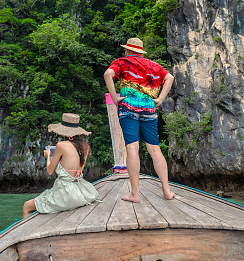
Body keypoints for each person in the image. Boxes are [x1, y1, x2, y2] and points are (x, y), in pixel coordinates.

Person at [103, 37, 175, 203]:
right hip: (149, 109)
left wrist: (115, 98)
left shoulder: (122, 62)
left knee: (132, 148)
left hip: (128, 109)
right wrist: (160, 99)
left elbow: (108, 74)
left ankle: (135, 194)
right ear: (140, 51)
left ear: (128, 50)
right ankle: (167, 191)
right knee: (155, 149)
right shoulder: (153, 65)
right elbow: (169, 78)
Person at [22, 113, 99, 218]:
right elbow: (77, 170)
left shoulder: (61, 145)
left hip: (65, 195)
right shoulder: (85, 147)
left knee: (26, 206)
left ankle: (27, 234)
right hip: (80, 193)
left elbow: (49, 171)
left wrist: (49, 155)